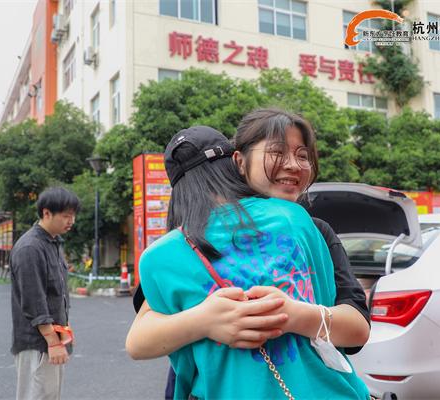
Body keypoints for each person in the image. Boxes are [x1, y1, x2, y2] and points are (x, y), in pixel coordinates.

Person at [131, 109, 370, 398]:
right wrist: (205, 320)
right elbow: (139, 338)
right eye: (277, 152)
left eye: (303, 155)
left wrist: (294, 314)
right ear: (238, 163)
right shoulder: (187, 247)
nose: (292, 165)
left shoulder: (314, 230)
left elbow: (357, 329)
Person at [10, 187, 80, 400]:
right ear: (46, 213)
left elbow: (56, 295)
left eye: (73, 216)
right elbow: (34, 302)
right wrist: (53, 342)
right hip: (37, 344)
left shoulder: (52, 242)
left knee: (50, 395)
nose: (71, 221)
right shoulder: (30, 248)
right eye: (66, 216)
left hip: (51, 339)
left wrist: (62, 334)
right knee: (37, 396)